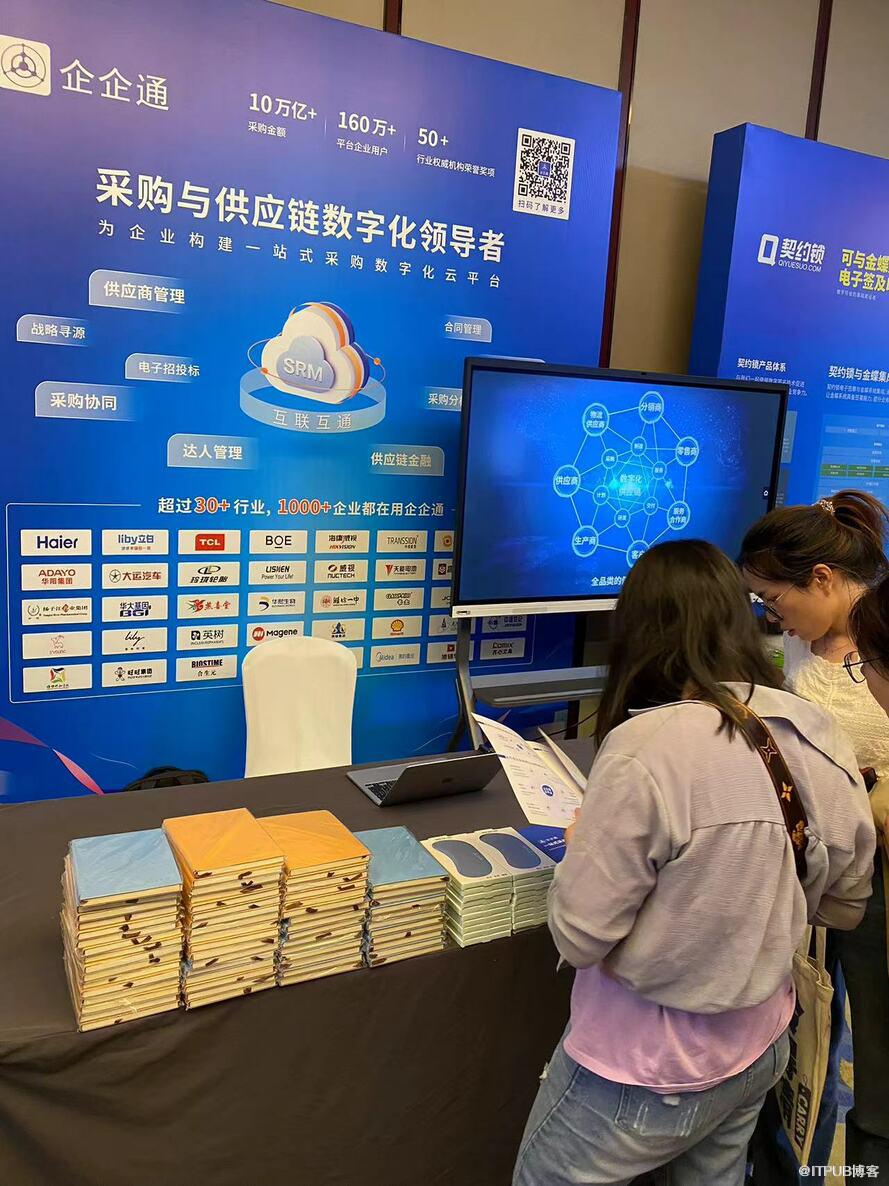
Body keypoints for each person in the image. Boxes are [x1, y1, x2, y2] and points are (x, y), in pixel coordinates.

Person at [512, 540, 875, 1186]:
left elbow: (579, 935)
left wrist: (585, 846)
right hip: (760, 1045)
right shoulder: (811, 728)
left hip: (642, 1067)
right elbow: (846, 904)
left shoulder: (644, 748)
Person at [740, 491, 889, 1178]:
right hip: (808, 873)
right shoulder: (805, 646)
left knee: (877, 1059)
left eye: (775, 599)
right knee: (803, 1043)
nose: (773, 617)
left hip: (875, 880)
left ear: (822, 579)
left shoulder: (880, 644)